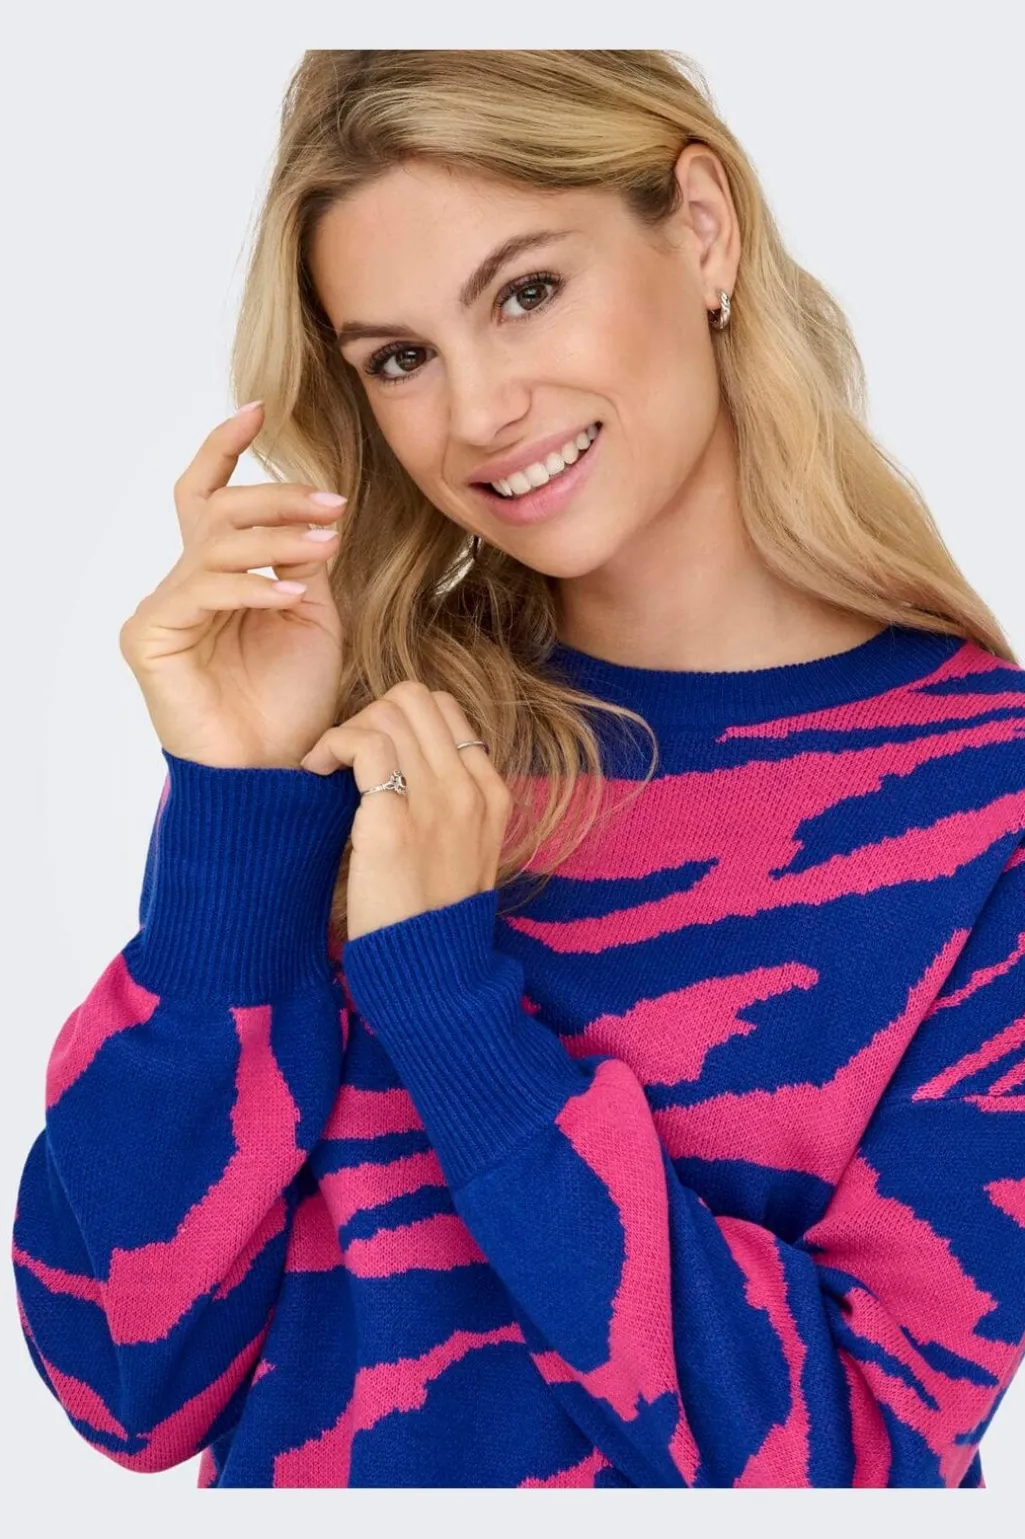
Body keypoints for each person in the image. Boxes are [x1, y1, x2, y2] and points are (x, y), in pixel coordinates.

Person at [11, 48, 1025, 1490]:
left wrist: (454, 1008)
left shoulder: (987, 800)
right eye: (400, 357)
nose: (480, 410)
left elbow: (861, 1464)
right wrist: (235, 816)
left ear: (703, 229)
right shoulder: (374, 740)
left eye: (526, 290)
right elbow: (123, 1383)